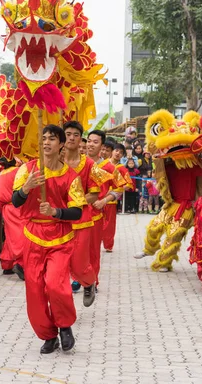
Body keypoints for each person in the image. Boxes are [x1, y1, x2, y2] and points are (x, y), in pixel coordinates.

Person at [12, 124, 86, 354]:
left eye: (52, 139)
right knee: (34, 290)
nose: (46, 142)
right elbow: (16, 201)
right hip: (33, 237)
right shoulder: (28, 169)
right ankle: (48, 335)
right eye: (43, 138)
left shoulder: (70, 177)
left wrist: (55, 212)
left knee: (55, 284)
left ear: (61, 144)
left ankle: (64, 326)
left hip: (60, 239)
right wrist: (26, 188)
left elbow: (78, 211)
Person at [63, 121, 105, 305]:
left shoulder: (89, 165)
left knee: (80, 261)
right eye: (68, 134)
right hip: (58, 220)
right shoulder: (54, 161)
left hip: (82, 219)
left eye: (75, 134)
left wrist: (75, 204)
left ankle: (88, 283)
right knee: (60, 262)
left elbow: (94, 194)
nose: (71, 138)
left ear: (81, 139)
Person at [85, 130, 121, 286]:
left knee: (93, 251)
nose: (90, 144)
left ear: (102, 146)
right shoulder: (78, 163)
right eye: (89, 141)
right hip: (75, 213)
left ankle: (92, 281)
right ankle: (79, 278)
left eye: (95, 142)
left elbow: (120, 187)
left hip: (95, 215)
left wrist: (105, 200)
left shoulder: (108, 167)